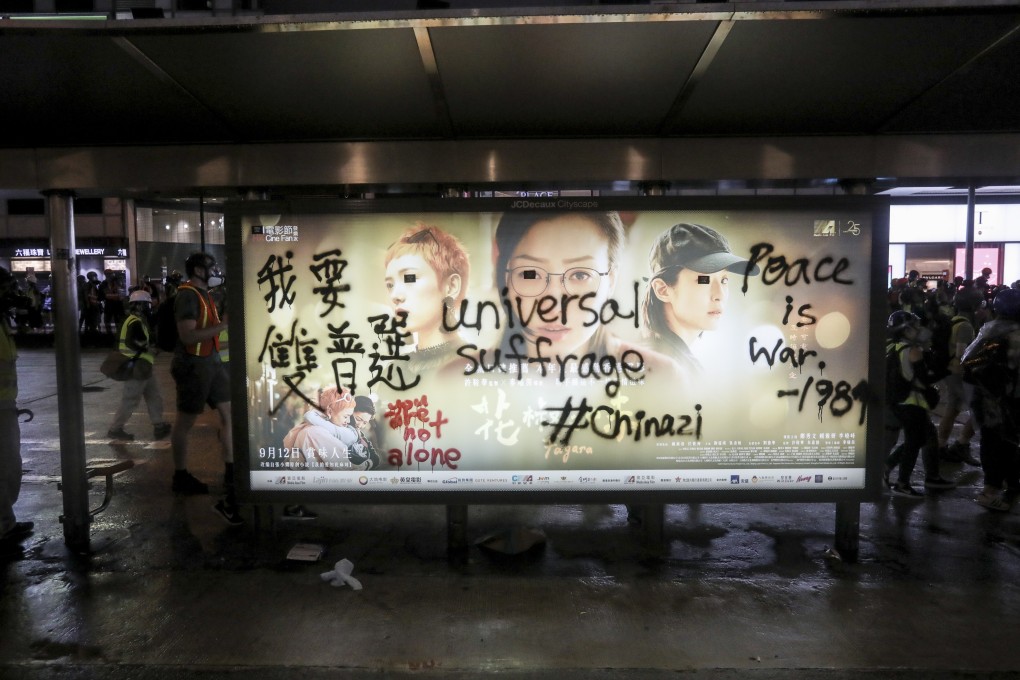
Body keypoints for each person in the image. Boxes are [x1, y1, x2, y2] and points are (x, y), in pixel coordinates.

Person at [169, 252, 240, 526]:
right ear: (198, 270)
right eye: (211, 267)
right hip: (193, 366)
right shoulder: (188, 295)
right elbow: (188, 336)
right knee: (185, 421)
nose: (216, 270)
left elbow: (208, 335)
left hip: (211, 363)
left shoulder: (205, 294)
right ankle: (180, 475)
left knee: (229, 414)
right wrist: (224, 325)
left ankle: (232, 473)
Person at [642, 222, 760, 377]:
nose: (720, 295)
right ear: (662, 290)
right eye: (704, 280)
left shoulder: (675, 361)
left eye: (724, 280)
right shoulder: (662, 368)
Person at [884, 310, 956, 497]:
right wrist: (947, 372)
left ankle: (887, 469)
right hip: (911, 404)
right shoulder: (912, 350)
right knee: (913, 443)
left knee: (917, 439)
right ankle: (902, 483)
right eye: (916, 327)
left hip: (897, 402)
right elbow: (922, 380)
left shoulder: (892, 346)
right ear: (907, 330)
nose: (920, 330)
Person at [382, 224, 470, 377]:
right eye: (390, 285)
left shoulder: (474, 365)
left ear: (451, 286)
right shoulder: (393, 374)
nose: (395, 295)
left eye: (409, 278)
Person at [963, 288, 1020, 512]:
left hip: (986, 400)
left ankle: (991, 489)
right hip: (1011, 400)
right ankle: (1007, 489)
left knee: (991, 442)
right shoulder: (1015, 335)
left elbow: (966, 361)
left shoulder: (988, 330)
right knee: (1010, 444)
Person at [106, 290, 172, 441]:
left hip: (143, 366)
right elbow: (134, 342)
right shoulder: (134, 321)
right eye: (147, 304)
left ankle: (159, 425)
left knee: (154, 396)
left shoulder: (134, 319)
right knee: (130, 400)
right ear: (141, 305)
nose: (150, 307)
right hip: (136, 367)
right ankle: (115, 429)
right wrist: (150, 349)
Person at [0, 267, 33, 546]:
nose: (12, 295)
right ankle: (3, 527)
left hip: (5, 404)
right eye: (6, 289)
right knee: (4, 465)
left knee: (11, 464)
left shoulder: (2, 322)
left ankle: (6, 521)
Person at [935, 286, 980, 465]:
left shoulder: (952, 320)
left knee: (952, 408)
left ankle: (941, 446)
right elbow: (962, 353)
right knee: (979, 410)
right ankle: (961, 444)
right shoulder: (966, 326)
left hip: (948, 372)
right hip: (959, 373)